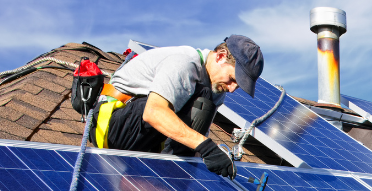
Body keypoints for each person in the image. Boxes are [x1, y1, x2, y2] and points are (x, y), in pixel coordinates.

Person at [89, 35, 264, 177]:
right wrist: (206, 147)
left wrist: (208, 175)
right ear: (220, 56)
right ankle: (167, 177)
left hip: (145, 137)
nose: (232, 89)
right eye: (232, 79)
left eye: (238, 86)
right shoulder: (185, 62)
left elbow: (197, 140)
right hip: (113, 126)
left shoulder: (215, 90)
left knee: (205, 101)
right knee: (200, 99)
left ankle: (171, 179)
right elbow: (153, 112)